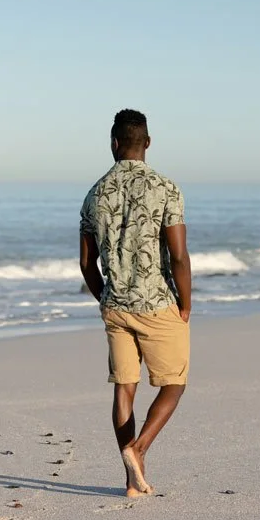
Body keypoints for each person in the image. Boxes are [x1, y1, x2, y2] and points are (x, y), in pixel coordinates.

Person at [79, 109, 191, 496]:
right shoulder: (167, 188)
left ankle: (131, 481)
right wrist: (186, 304)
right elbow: (178, 255)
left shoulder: (94, 194)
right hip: (157, 303)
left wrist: (105, 298)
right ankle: (138, 448)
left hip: (116, 306)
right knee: (174, 383)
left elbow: (85, 262)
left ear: (113, 144)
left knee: (124, 388)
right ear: (147, 142)